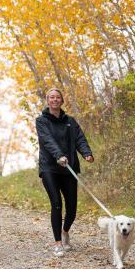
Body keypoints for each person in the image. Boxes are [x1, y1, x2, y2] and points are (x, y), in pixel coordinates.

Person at [36, 87, 94, 257]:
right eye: (51, 97)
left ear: (62, 101)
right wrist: (58, 155)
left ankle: (65, 231)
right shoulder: (41, 121)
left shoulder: (70, 121)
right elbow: (47, 140)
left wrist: (87, 153)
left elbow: (79, 139)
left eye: (57, 97)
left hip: (69, 169)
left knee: (72, 208)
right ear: (47, 100)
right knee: (56, 203)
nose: (55, 100)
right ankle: (58, 244)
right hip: (50, 168)